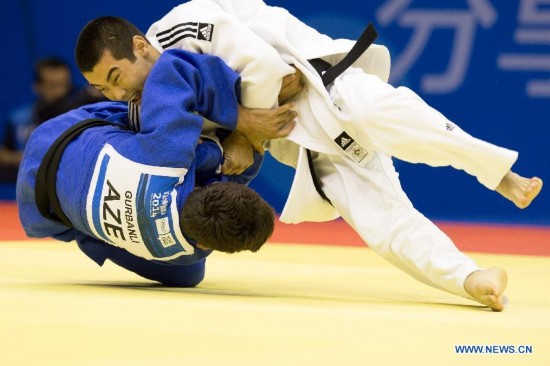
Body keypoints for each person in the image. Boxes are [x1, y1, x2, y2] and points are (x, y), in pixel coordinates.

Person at [74, 6, 543, 311]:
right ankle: (469, 278)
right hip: (298, 138)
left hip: (321, 80)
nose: (119, 92)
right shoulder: (142, 107)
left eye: (118, 75)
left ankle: (498, 171)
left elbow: (263, 65)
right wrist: (242, 138)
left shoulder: (180, 28)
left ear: (139, 46)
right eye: (103, 88)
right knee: (375, 216)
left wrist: (247, 135)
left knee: (386, 113)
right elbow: (200, 148)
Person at [16, 50, 279, 287]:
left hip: (56, 135)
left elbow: (173, 67)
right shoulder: (188, 254)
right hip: (41, 206)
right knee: (188, 276)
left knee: (165, 127)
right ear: (204, 244)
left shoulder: (169, 156)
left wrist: (241, 130)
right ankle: (87, 229)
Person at [1, 57, 106, 183]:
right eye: (53, 86)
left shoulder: (82, 115)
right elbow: (4, 154)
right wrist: (33, 159)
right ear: (37, 87)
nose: (60, 92)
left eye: (65, 85)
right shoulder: (19, 119)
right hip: (27, 188)